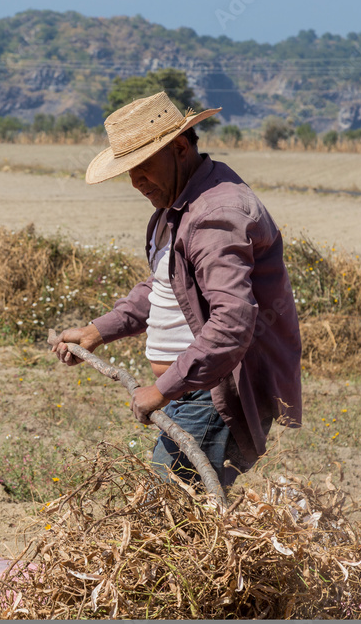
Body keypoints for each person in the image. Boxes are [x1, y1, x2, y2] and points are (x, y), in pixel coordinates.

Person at [51, 91, 302, 488]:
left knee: (169, 497)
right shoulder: (178, 206)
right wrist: (96, 332)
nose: (136, 182)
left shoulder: (216, 215)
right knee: (184, 506)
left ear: (180, 148)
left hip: (215, 392)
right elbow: (166, 285)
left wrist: (162, 389)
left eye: (143, 167)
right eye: (129, 171)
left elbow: (232, 323)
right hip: (189, 388)